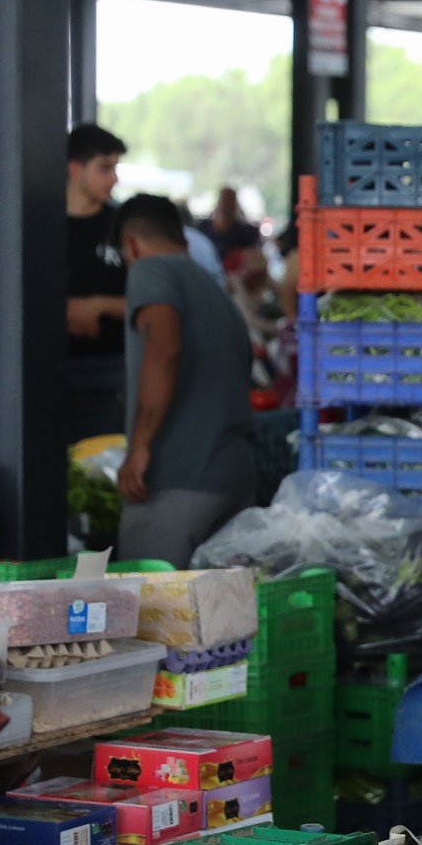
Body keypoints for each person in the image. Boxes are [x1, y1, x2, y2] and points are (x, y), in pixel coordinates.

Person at [111, 195, 256, 566]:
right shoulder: (216, 293)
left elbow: (164, 349)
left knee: (151, 613)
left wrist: (140, 446)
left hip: (177, 481)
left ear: (131, 246)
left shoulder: (150, 270)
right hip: (232, 477)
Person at [66, 124, 129, 442]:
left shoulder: (123, 226)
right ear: (74, 169)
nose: (114, 179)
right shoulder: (37, 222)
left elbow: (154, 299)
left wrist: (98, 305)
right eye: (105, 168)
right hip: (46, 366)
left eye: (115, 168)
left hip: (111, 371)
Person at [198, 187, 260, 262]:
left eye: (230, 201)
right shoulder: (203, 228)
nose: (226, 206)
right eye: (223, 201)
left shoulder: (245, 234)